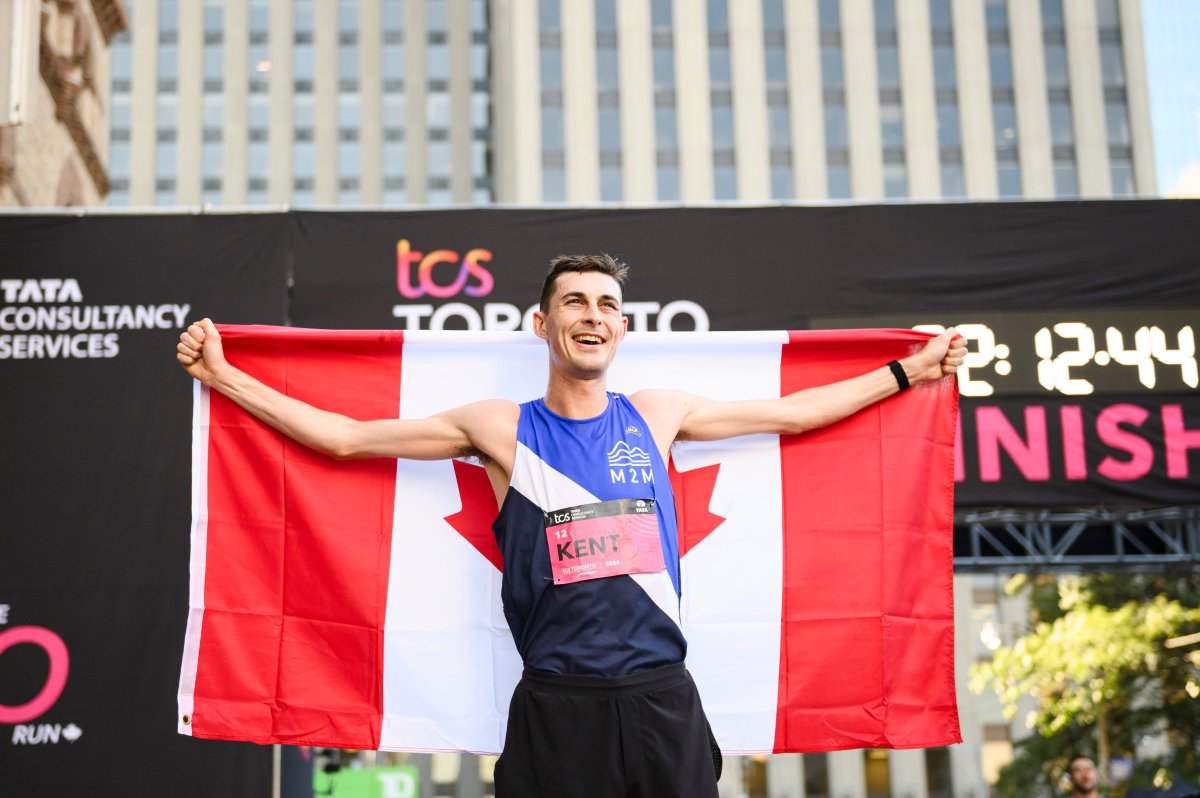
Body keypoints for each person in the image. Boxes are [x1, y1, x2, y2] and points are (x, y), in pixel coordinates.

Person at [177, 253, 965, 798]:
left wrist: (910, 371)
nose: (594, 316)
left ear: (622, 329)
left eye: (608, 306)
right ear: (541, 322)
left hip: (662, 702)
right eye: (576, 303)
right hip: (556, 709)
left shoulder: (659, 414)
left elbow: (793, 415)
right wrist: (223, 376)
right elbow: (343, 438)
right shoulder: (496, 427)